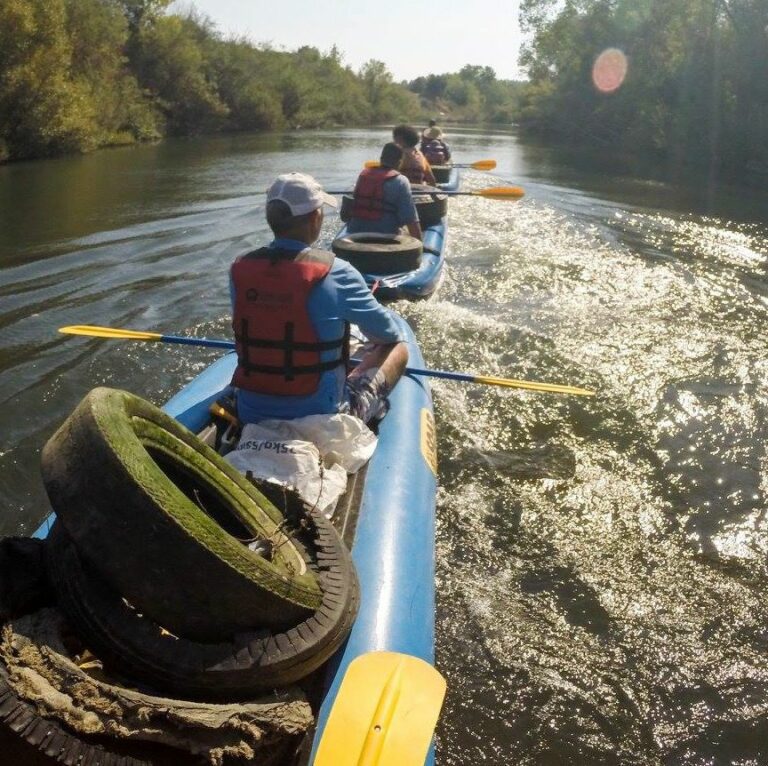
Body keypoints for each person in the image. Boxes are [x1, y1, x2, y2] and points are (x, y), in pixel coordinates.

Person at [230, 172, 408, 424]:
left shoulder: (239, 269)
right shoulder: (339, 272)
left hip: (250, 412)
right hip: (323, 415)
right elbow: (387, 334)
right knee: (398, 348)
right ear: (315, 217)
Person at [346, 142, 423, 241]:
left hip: (355, 235)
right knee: (404, 231)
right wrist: (420, 246)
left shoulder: (362, 176)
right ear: (400, 162)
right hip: (386, 237)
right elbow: (411, 220)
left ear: (381, 159)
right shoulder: (401, 181)